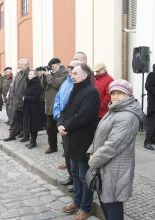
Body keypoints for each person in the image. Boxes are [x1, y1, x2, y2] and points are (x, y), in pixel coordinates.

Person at [87, 79, 142, 220]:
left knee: (113, 204)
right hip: (104, 164)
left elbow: (113, 145)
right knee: (106, 201)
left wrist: (94, 160)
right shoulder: (114, 110)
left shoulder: (128, 116)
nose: (115, 96)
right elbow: (99, 134)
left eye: (120, 93)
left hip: (116, 167)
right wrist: (92, 150)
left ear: (128, 95)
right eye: (113, 93)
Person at [58, 64, 100, 220]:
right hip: (70, 138)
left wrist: (65, 126)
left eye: (75, 73)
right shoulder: (74, 89)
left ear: (85, 75)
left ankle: (86, 207)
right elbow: (64, 110)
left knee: (84, 176)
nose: (72, 75)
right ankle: (77, 200)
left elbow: (84, 116)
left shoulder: (91, 92)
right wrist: (59, 124)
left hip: (83, 141)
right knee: (74, 173)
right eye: (71, 73)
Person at [53, 60, 81, 190]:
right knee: (67, 153)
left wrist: (67, 123)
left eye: (72, 67)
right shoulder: (66, 82)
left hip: (73, 125)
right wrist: (59, 118)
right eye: (69, 67)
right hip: (63, 123)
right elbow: (58, 100)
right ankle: (71, 177)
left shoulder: (78, 84)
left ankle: (77, 182)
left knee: (75, 156)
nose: (69, 69)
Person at [41, 58, 68, 154]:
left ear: (59, 64)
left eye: (53, 66)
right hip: (49, 106)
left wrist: (48, 76)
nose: (52, 68)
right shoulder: (51, 74)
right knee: (50, 128)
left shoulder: (64, 72)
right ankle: (52, 147)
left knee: (63, 129)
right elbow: (44, 87)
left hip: (59, 106)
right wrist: (43, 77)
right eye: (51, 67)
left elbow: (57, 84)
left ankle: (66, 150)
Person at [4, 58, 30, 142]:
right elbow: (14, 87)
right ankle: (12, 135)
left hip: (25, 102)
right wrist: (13, 99)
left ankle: (25, 135)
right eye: (19, 64)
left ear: (25, 65)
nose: (18, 66)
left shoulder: (30, 74)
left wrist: (25, 98)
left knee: (25, 120)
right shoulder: (18, 74)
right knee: (15, 120)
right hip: (17, 102)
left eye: (20, 64)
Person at [23, 70, 45, 149]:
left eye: (31, 74)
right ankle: (32, 141)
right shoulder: (29, 83)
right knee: (29, 124)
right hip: (28, 107)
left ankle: (33, 142)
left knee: (33, 125)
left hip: (34, 108)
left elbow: (36, 97)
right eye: (29, 73)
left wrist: (25, 98)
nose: (29, 75)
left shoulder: (37, 84)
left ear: (35, 75)